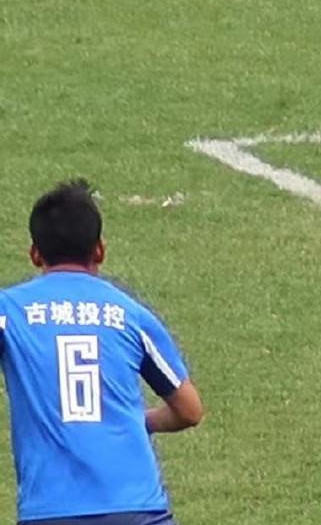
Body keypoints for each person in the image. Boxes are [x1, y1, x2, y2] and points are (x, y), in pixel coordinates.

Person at [0, 180, 204, 525]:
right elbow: (189, 410)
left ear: (35, 254)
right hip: (138, 509)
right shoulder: (130, 313)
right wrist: (135, 420)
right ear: (100, 250)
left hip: (51, 511)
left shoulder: (9, 311)